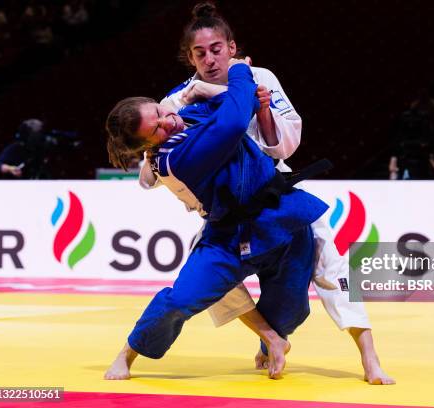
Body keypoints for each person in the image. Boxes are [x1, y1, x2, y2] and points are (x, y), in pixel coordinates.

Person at [147, 2, 393, 385]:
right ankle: (270, 337)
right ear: (189, 56)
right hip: (224, 211)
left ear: (232, 47)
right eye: (200, 53)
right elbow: (163, 162)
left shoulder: (259, 76)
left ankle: (369, 357)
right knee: (211, 279)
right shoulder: (176, 100)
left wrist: (261, 110)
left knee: (330, 263)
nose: (210, 59)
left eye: (216, 49)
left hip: (276, 197)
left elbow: (284, 145)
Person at [104, 60, 328, 380]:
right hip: (228, 235)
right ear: (147, 146)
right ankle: (129, 352)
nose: (167, 119)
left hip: (281, 214)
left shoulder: (189, 115)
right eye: (156, 129)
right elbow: (234, 121)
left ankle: (272, 344)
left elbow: (243, 102)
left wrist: (220, 92)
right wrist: (238, 70)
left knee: (292, 304)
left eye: (159, 110)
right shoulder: (174, 159)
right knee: (182, 299)